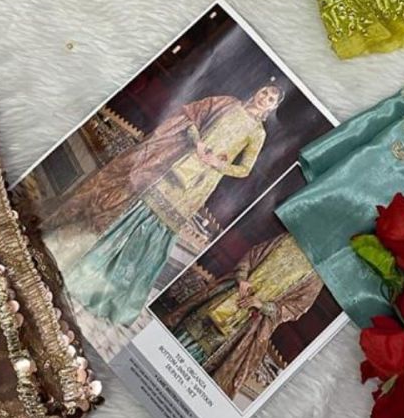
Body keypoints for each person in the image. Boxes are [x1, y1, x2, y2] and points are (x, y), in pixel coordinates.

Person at [46, 84, 284, 327]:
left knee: (158, 227)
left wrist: (217, 164)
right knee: (139, 209)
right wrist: (198, 143)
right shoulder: (228, 103)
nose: (265, 98)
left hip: (200, 183)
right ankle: (86, 269)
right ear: (258, 91)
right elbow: (191, 117)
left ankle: (112, 296)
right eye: (265, 92)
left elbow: (244, 169)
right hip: (179, 163)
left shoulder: (258, 133)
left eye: (271, 98)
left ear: (273, 107)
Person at [162, 232, 323, 401]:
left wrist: (260, 305)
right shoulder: (287, 239)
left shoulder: (315, 277)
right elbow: (252, 255)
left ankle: (178, 386)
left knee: (211, 347)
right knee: (194, 325)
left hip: (251, 318)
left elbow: (295, 308)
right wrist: (242, 279)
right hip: (232, 293)